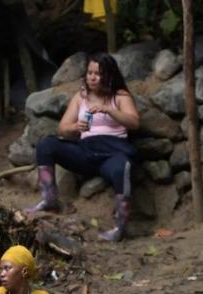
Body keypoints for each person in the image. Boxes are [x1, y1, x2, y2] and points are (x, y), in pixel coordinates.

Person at [31, 52, 140, 242]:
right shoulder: (81, 97)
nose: (92, 77)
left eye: (97, 73)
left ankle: (120, 227)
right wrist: (76, 127)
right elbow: (62, 128)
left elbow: (134, 123)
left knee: (122, 167)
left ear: (109, 75)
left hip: (112, 154)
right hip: (85, 152)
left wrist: (110, 111)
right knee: (46, 145)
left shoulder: (120, 96)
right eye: (89, 73)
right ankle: (49, 199)